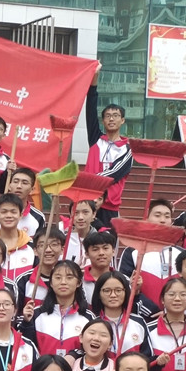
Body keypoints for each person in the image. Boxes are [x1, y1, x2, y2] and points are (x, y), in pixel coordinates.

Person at [84, 69, 133, 230]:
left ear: (122, 120)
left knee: (106, 243)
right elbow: (90, 109)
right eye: (107, 116)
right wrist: (93, 82)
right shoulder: (96, 140)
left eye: (116, 115)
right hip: (87, 203)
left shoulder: (128, 149)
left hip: (109, 208)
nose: (111, 118)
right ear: (103, 121)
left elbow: (114, 174)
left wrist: (89, 182)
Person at [21, 260, 92, 357]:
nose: (63, 282)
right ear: (51, 283)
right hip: (43, 366)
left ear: (79, 283)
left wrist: (74, 356)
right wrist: (26, 323)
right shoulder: (36, 314)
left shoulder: (88, 317)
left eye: (69, 277)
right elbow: (26, 347)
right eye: (58, 277)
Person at [90, 270, 152, 357]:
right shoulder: (92, 323)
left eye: (118, 290)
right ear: (99, 294)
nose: (113, 295)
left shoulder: (138, 322)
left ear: (125, 292)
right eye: (107, 291)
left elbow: (147, 357)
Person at [15, 226, 65, 312]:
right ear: (35, 250)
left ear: (62, 249)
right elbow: (15, 314)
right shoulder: (23, 280)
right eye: (42, 245)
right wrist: (26, 318)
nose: (48, 250)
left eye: (54, 244)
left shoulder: (69, 279)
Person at [0, 194, 36, 281]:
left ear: (21, 214)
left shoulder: (31, 246)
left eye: (13, 212)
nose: (8, 215)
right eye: (4, 212)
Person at [81, 230, 118, 305]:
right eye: (95, 249)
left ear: (113, 252)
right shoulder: (78, 281)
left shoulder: (123, 280)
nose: (101, 253)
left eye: (105, 248)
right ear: (87, 254)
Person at [63, 199, 99, 267]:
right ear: (70, 215)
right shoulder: (63, 241)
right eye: (76, 213)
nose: (80, 217)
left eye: (85, 212)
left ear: (94, 214)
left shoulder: (100, 242)